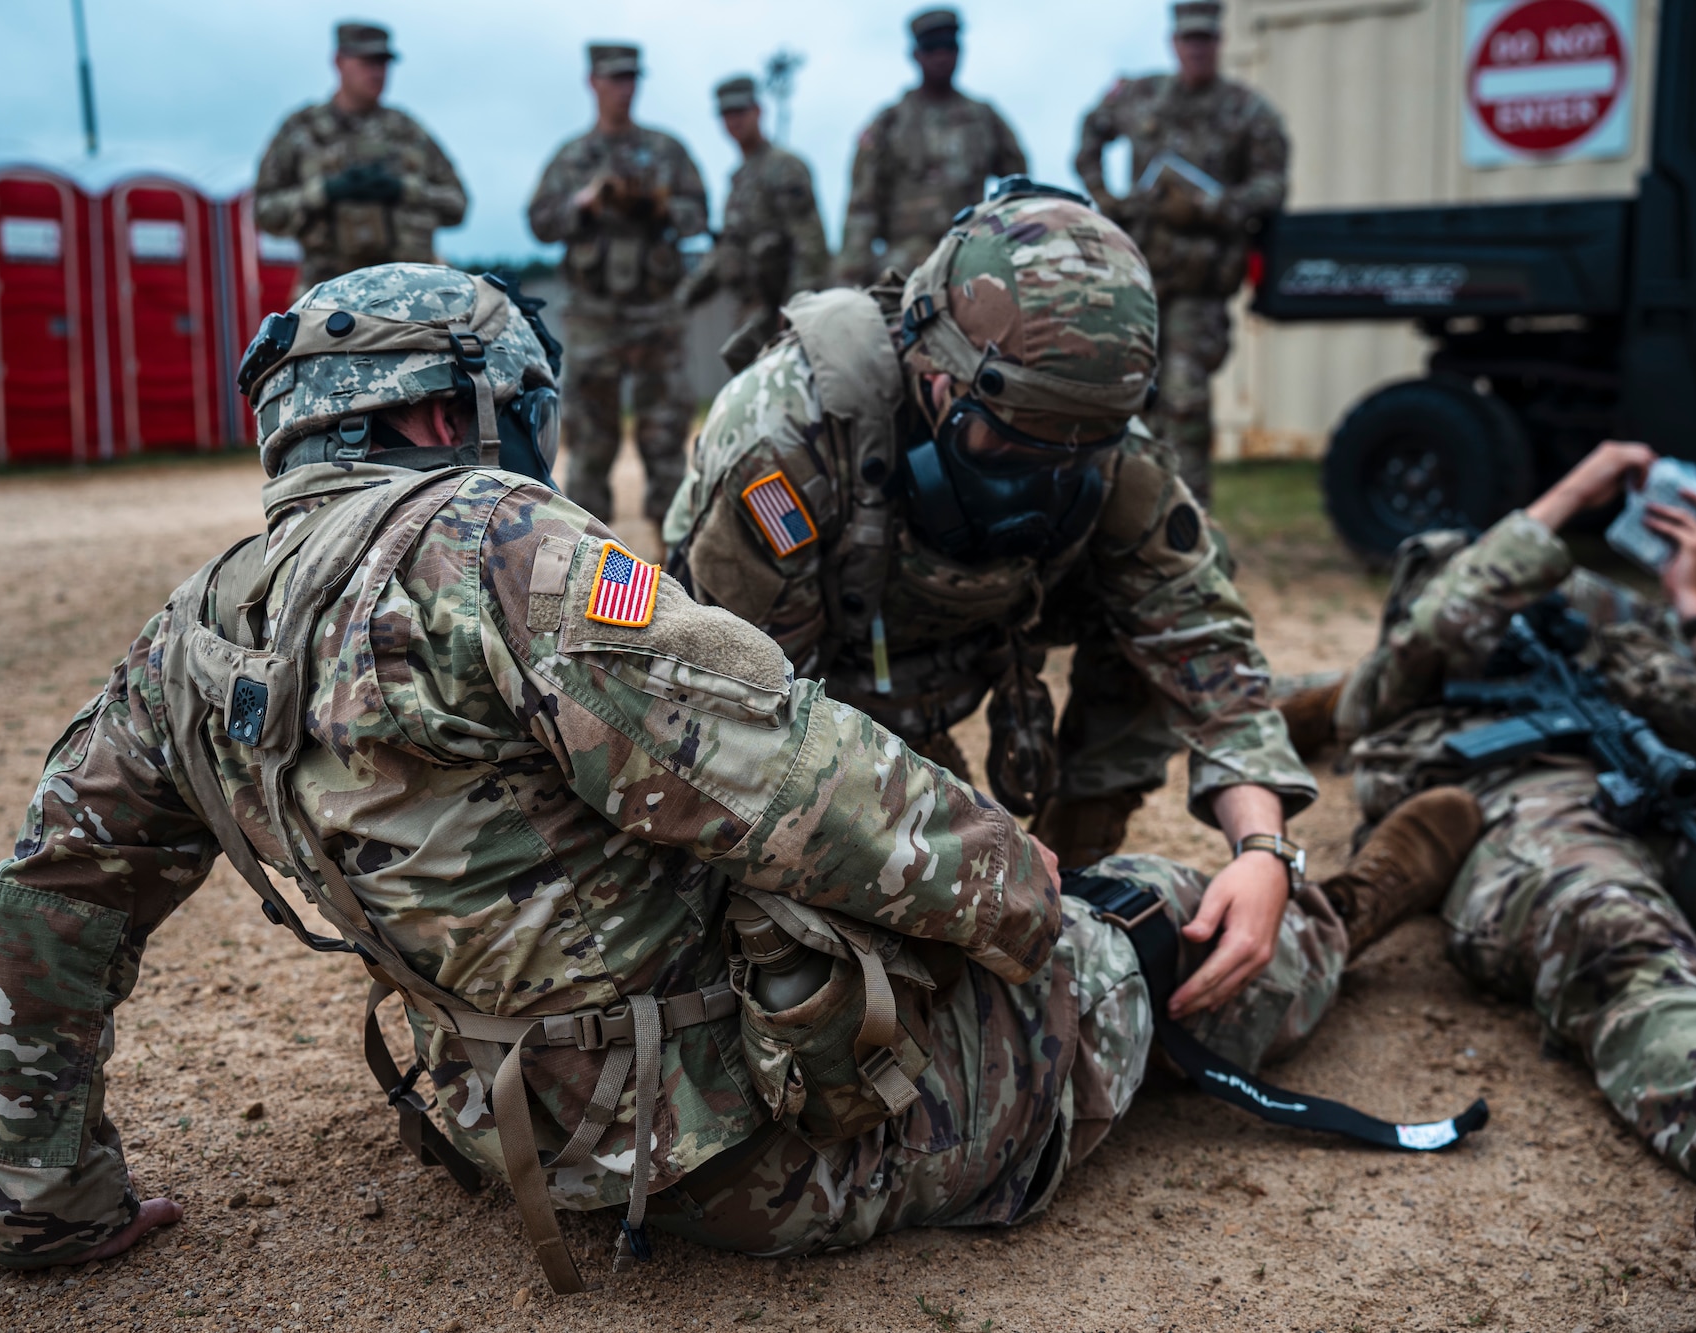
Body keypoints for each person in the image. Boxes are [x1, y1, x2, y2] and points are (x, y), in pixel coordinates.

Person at [0, 261, 1478, 1289]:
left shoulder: (195, 625)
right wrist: (1044, 908)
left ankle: (1320, 877)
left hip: (502, 1118)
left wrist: (38, 1193)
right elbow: (802, 780)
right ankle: (1369, 895)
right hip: (734, 1145)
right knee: (1147, 934)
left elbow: (45, 909)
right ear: (435, 415)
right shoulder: (496, 545)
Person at [1295, 439, 1696, 1328]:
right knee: (1617, 938)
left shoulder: (1613, 640)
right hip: (1526, 809)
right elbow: (1438, 621)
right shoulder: (1400, 673)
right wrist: (1576, 491)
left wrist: (1688, 608)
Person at [669, 180, 1307, 871]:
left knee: (1145, 610)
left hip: (973, 632)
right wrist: (949, 841)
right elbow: (750, 723)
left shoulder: (1098, 436)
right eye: (1011, 446)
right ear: (938, 376)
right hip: (822, 669)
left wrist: (1265, 849)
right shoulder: (788, 440)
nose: (1045, 481)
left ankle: (1081, 845)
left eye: (1079, 451)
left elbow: (1200, 634)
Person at [1073, 0, 1289, 505]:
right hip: (1142, 279)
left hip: (1200, 282)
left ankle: (1189, 521)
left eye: (1206, 40)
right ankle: (1133, 513)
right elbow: (1089, 139)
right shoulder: (1142, 97)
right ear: (1175, 44)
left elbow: (1272, 184)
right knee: (1134, 395)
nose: (1197, 50)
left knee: (1185, 401)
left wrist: (1221, 205)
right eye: (1188, 41)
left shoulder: (1246, 110)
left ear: (1219, 42)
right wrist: (1107, 201)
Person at [528, 43, 708, 526]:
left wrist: (660, 206)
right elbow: (540, 222)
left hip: (656, 319)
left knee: (666, 443)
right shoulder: (573, 157)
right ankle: (588, 572)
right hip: (593, 320)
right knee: (589, 446)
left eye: (631, 78)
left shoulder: (667, 151)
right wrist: (583, 204)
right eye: (614, 79)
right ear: (593, 82)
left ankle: (679, 567)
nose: (623, 89)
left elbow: (699, 216)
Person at [251, 22, 468, 294]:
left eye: (383, 63)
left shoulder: (409, 132)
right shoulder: (302, 131)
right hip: (328, 297)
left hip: (409, 296)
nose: (378, 73)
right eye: (367, 62)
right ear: (339, 61)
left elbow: (458, 204)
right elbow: (263, 212)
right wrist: (325, 192)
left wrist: (403, 189)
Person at [832, 8, 1027, 287]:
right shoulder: (889, 124)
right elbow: (862, 210)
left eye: (948, 46)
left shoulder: (984, 119)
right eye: (931, 47)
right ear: (915, 54)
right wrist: (848, 282)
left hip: (971, 259)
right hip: (902, 267)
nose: (941, 56)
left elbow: (1019, 191)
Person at [679, 75, 832, 376]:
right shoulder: (739, 178)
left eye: (740, 111)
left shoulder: (784, 168)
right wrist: (682, 298)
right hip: (751, 313)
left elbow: (810, 245)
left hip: (783, 315)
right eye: (726, 114)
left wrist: (796, 311)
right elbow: (728, 251)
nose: (734, 121)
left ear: (758, 111)